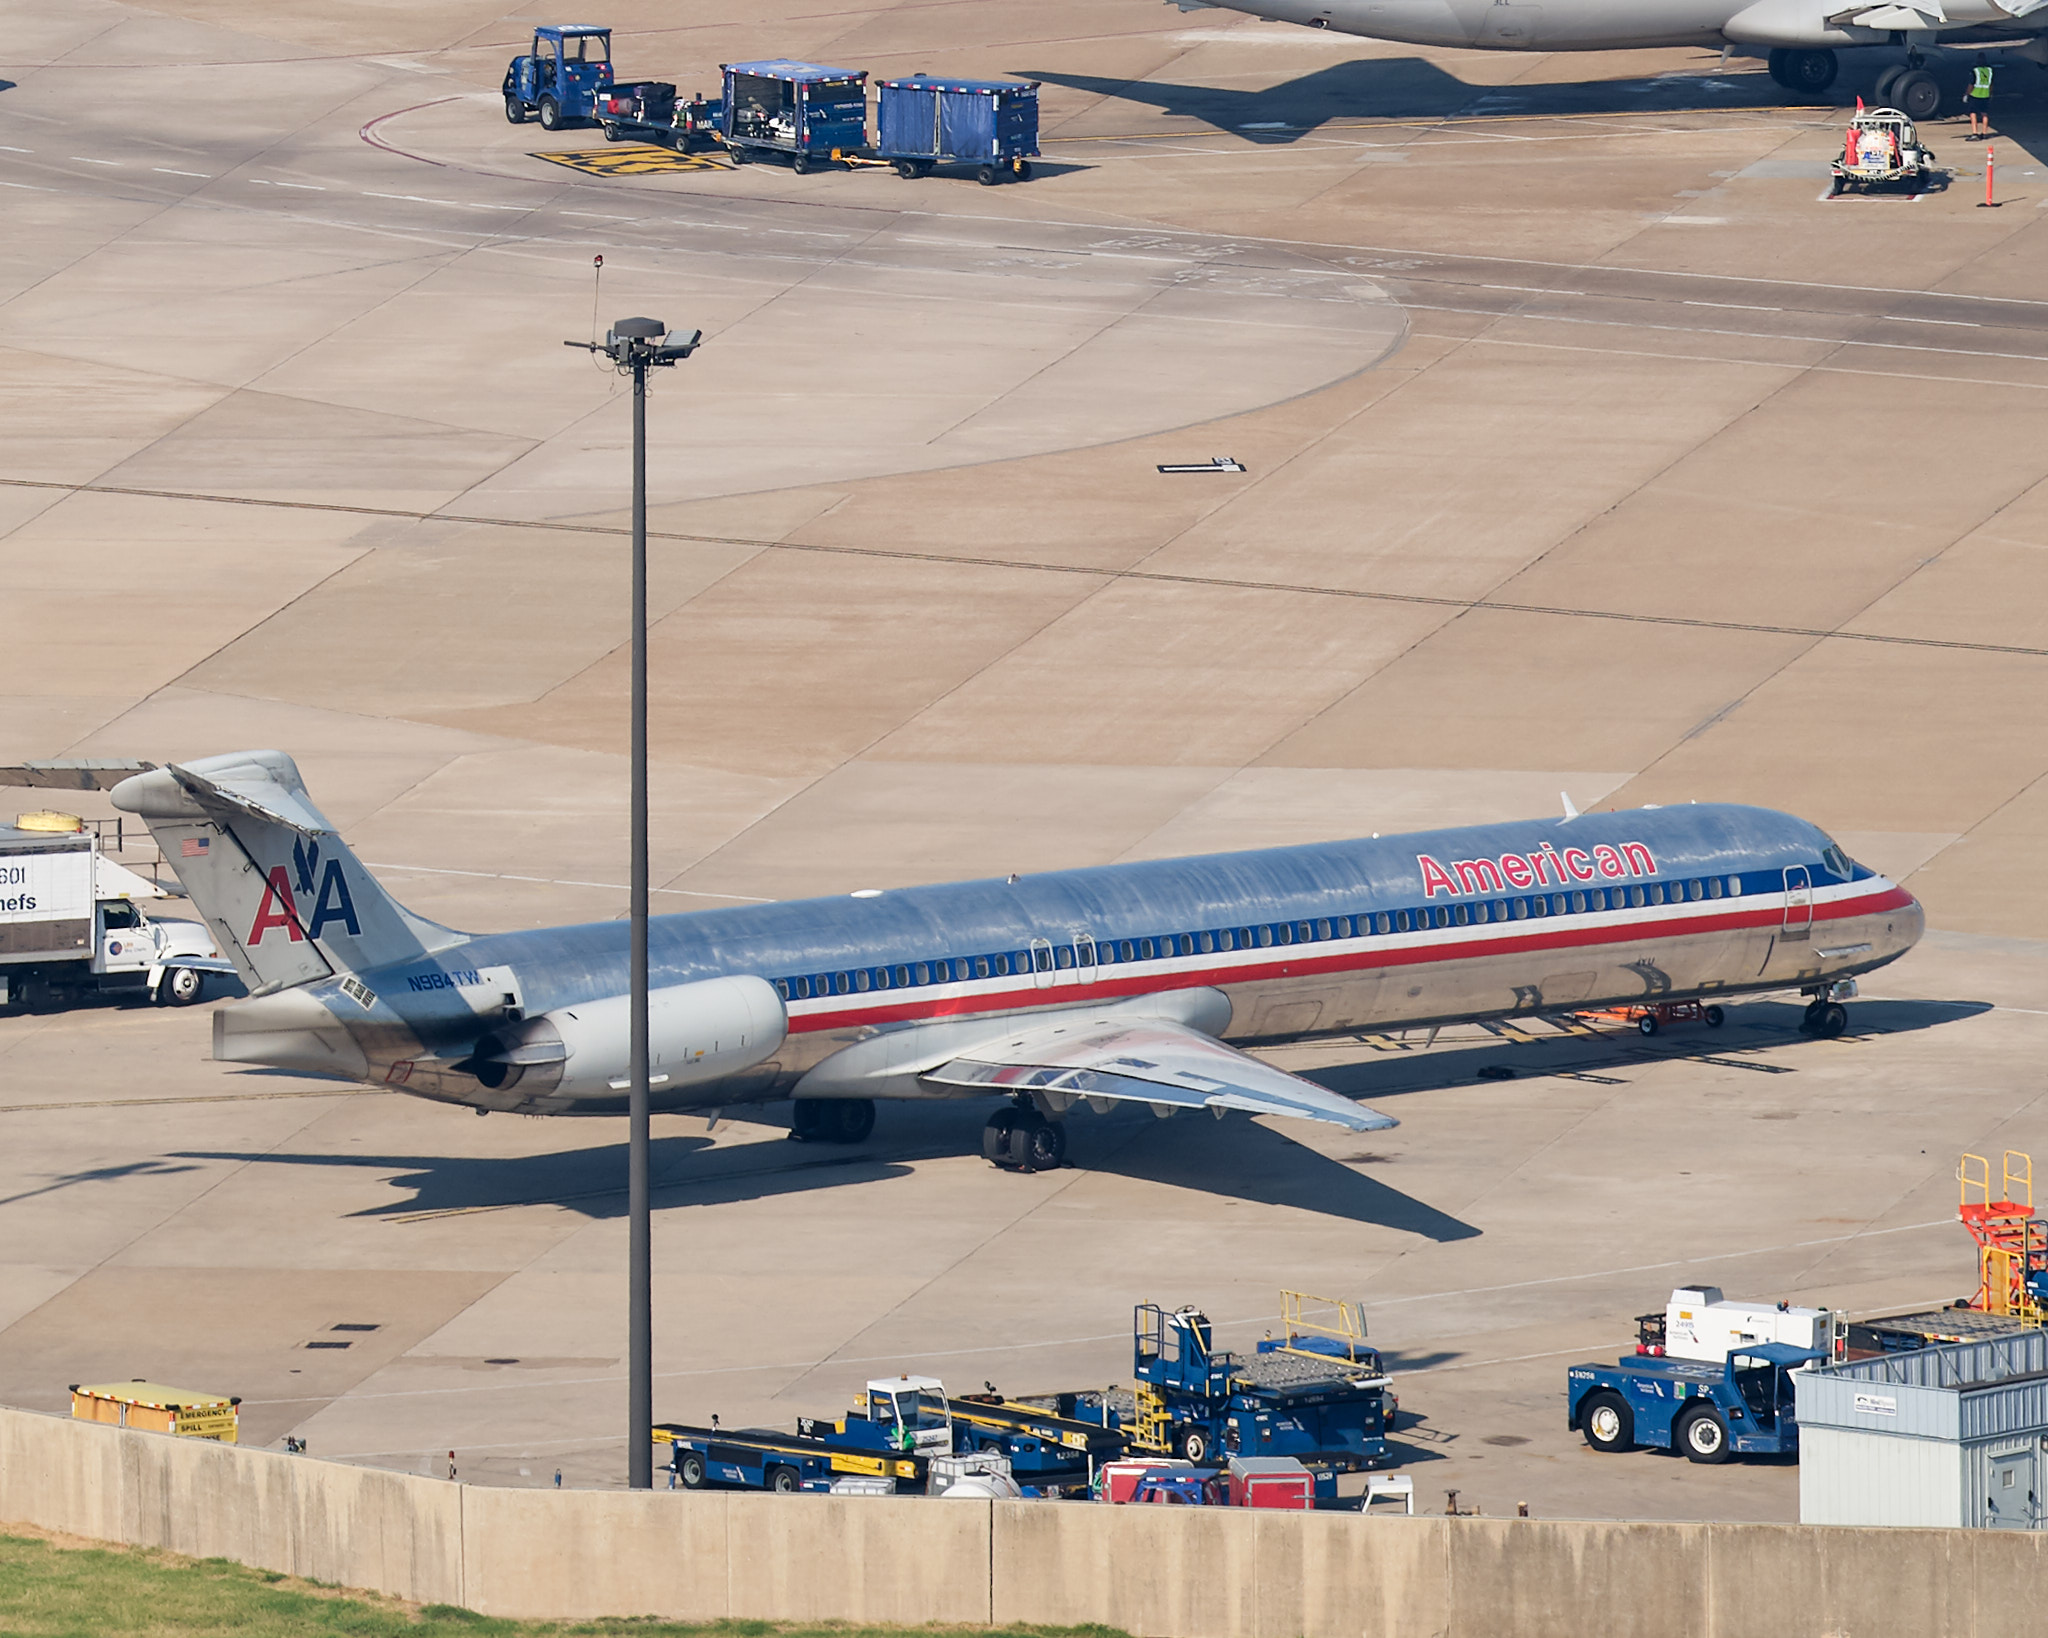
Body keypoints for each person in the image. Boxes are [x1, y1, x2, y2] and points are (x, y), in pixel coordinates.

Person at [1969, 55, 1993, 140]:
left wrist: (1967, 94)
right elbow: (1990, 84)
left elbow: (1971, 84)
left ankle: (1975, 133)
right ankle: (1984, 133)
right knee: (1984, 114)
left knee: (1973, 113)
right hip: (1985, 94)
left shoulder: (1975, 71)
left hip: (1975, 94)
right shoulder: (1989, 71)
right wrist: (1990, 94)